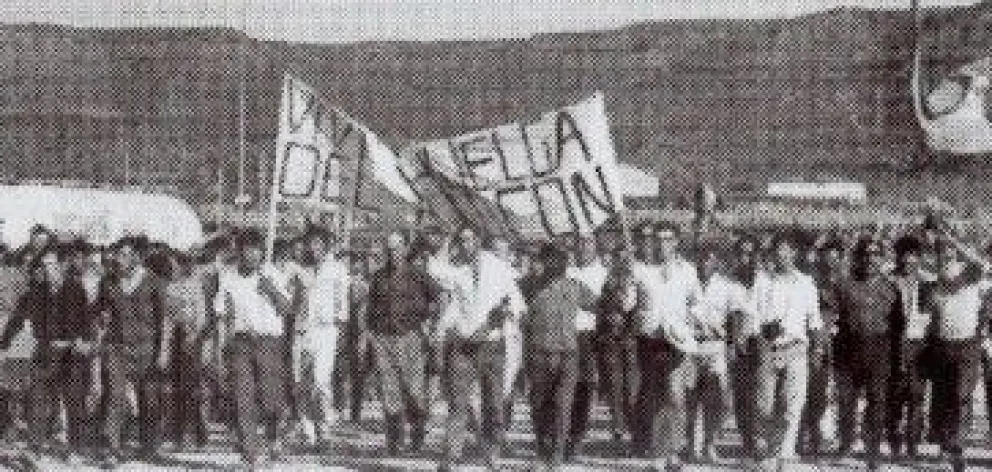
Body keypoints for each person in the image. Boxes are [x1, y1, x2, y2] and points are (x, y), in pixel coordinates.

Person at [429, 225, 525, 472]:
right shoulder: (456, 270)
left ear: (479, 241)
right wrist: (445, 244)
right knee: (457, 403)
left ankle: (492, 454)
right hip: (464, 346)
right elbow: (434, 271)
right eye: (461, 240)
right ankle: (450, 458)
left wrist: (504, 311)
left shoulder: (498, 267)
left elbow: (517, 303)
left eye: (470, 239)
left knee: (493, 403)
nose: (466, 244)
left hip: (492, 344)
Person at [214, 229, 292, 466]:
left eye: (257, 250)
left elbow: (287, 308)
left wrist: (271, 290)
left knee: (270, 399)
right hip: (241, 343)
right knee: (242, 397)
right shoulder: (228, 276)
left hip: (269, 342)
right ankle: (250, 452)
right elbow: (222, 313)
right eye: (247, 250)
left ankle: (274, 436)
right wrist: (222, 346)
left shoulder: (272, 274)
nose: (252, 255)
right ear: (239, 252)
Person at [630, 222, 701, 472]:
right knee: (655, 395)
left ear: (676, 242)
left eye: (668, 239)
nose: (662, 244)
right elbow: (628, 304)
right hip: (650, 340)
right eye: (658, 239)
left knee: (675, 395)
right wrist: (628, 287)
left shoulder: (687, 271)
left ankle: (674, 449)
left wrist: (693, 320)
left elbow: (696, 302)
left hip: (677, 340)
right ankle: (660, 452)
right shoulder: (641, 271)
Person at [750, 233, 823, 472]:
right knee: (765, 404)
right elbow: (752, 315)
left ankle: (785, 452)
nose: (782, 255)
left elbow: (814, 320)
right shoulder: (763, 281)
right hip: (768, 346)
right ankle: (765, 451)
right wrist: (761, 332)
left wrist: (817, 348)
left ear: (794, 253)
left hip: (796, 348)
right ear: (773, 254)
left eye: (787, 250)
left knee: (793, 403)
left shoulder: (806, 283)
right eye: (778, 250)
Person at [523, 243, 596, 471]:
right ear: (544, 261)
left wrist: (624, 292)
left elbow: (600, 304)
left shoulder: (576, 287)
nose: (558, 264)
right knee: (539, 405)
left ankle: (556, 456)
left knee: (563, 406)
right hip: (539, 354)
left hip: (568, 355)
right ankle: (541, 453)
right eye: (552, 259)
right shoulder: (528, 286)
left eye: (562, 259)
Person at [365, 231, 439, 455]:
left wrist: (431, 325)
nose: (392, 253)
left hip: (411, 338)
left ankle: (417, 429)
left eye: (397, 248)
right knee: (389, 392)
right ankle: (394, 440)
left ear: (405, 248)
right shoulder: (378, 277)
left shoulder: (418, 275)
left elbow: (438, 298)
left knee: (413, 391)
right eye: (389, 249)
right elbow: (370, 308)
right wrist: (370, 336)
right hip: (384, 339)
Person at [925, 228, 992, 472]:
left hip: (967, 346)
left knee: (961, 395)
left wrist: (953, 239)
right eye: (943, 251)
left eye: (951, 251)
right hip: (942, 345)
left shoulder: (969, 273)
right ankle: (945, 442)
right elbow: (930, 315)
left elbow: (980, 262)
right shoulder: (933, 280)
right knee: (943, 396)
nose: (948, 254)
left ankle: (957, 446)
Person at [99, 236, 169, 466]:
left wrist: (163, 351)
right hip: (117, 347)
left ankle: (149, 447)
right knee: (116, 396)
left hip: (147, 350)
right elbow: (100, 311)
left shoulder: (154, 282)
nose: (119, 259)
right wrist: (102, 318)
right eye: (118, 255)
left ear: (137, 257)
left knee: (149, 399)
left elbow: (165, 320)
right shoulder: (109, 282)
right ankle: (112, 448)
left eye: (125, 255)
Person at [834, 237, 900, 470]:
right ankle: (846, 442)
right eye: (866, 254)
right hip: (848, 349)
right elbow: (832, 317)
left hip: (879, 350)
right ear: (858, 258)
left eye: (875, 254)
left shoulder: (891, 289)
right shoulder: (844, 285)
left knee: (877, 401)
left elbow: (898, 325)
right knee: (846, 401)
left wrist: (896, 357)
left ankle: (873, 450)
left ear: (882, 258)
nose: (871, 259)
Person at [685, 239, 742, 464]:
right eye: (701, 258)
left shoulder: (726, 286)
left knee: (716, 398)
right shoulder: (686, 283)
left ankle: (709, 443)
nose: (704, 263)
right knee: (689, 398)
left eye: (709, 259)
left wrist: (732, 344)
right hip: (690, 345)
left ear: (716, 262)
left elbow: (735, 316)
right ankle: (691, 444)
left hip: (715, 347)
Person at [887, 235, 935, 459]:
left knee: (917, 396)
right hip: (893, 344)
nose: (908, 260)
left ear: (919, 258)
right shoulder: (888, 281)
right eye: (904, 256)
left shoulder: (928, 282)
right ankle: (894, 440)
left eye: (913, 256)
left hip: (919, 345)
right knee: (895, 394)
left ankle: (913, 443)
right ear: (898, 257)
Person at [564, 233, 608, 459]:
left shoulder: (604, 274)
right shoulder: (566, 271)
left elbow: (607, 307)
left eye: (589, 241)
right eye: (580, 242)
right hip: (565, 335)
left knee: (584, 388)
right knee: (563, 387)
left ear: (596, 245)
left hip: (590, 337)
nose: (584, 246)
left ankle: (577, 437)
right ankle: (561, 434)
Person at [597, 241, 641, 453]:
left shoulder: (639, 279)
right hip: (612, 340)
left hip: (633, 340)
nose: (624, 261)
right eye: (620, 257)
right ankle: (618, 428)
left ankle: (634, 430)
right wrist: (609, 316)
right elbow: (601, 306)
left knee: (632, 388)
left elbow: (643, 307)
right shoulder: (608, 281)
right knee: (614, 386)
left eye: (628, 257)